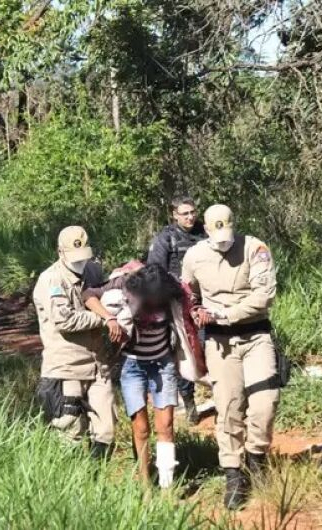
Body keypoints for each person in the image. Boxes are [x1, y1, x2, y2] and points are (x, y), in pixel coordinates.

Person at [181, 204, 278, 510]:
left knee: (266, 401)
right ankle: (234, 473)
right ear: (206, 230)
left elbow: (265, 295)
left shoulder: (255, 248)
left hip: (255, 335)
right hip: (220, 344)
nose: (224, 241)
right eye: (216, 235)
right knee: (228, 407)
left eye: (228, 234)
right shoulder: (194, 256)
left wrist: (225, 313)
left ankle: (257, 456)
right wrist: (196, 310)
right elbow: (188, 292)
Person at [82, 263, 205, 488]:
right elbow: (89, 295)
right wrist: (109, 318)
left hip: (162, 364)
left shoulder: (172, 289)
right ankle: (146, 485)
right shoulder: (124, 284)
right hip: (133, 366)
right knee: (140, 428)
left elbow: (191, 303)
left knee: (166, 425)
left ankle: (167, 486)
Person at [32, 226, 118, 459]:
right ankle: (68, 482)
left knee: (106, 429)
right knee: (70, 428)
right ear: (60, 252)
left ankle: (97, 477)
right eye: (74, 257)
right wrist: (104, 317)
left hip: (97, 364)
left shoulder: (93, 271)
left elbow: (104, 295)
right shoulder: (51, 279)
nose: (80, 263)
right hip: (66, 365)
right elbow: (64, 320)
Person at [147, 196, 207, 424]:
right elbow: (154, 271)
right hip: (178, 304)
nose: (190, 217)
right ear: (175, 215)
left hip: (206, 300)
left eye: (192, 212)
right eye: (185, 213)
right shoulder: (166, 238)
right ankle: (189, 402)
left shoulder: (205, 232)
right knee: (185, 352)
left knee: (208, 347)